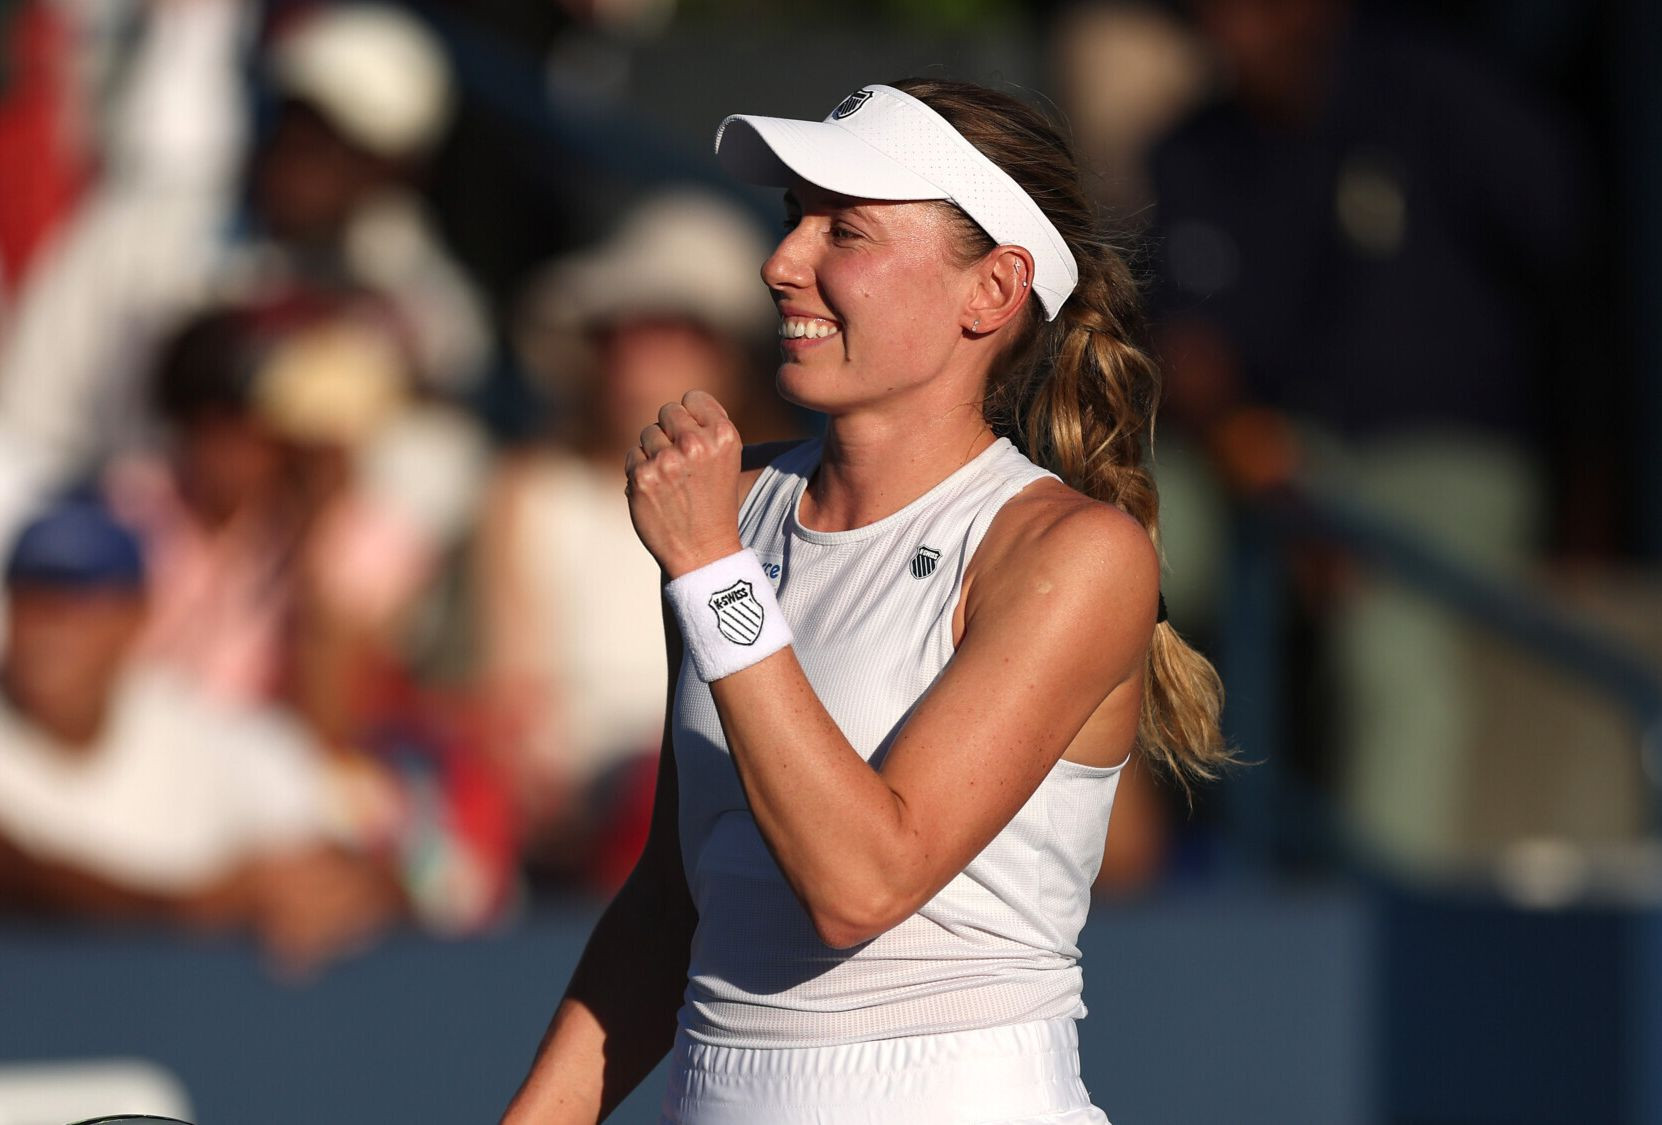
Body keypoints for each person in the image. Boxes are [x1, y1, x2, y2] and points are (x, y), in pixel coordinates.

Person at [501, 79, 1228, 1124]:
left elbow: (861, 885)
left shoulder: (1072, 553)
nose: (781, 261)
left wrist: (711, 570)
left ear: (992, 291)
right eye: (794, 216)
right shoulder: (728, 513)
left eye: (844, 229)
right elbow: (673, 900)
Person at [476, 188, 787, 891]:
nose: (637, 356)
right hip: (578, 792)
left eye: (671, 331)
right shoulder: (529, 490)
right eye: (622, 332)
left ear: (724, 352)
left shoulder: (777, 492)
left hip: (728, 771)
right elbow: (511, 686)